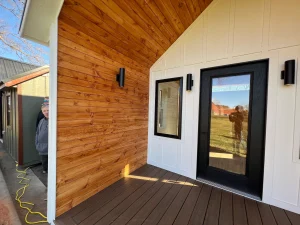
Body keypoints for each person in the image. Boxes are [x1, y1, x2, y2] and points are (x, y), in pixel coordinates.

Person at [35, 104, 49, 174]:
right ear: (42, 112)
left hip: (51, 149)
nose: (46, 112)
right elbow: (37, 133)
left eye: (48, 110)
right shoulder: (41, 121)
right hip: (42, 148)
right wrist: (37, 144)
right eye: (44, 111)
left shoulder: (55, 121)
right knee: (44, 164)